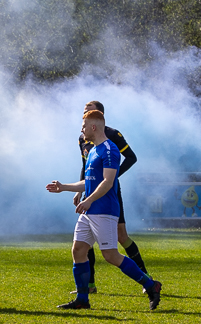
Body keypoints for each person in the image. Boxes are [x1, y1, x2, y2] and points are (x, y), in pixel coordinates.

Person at [47, 108, 162, 310]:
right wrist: (64, 187)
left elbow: (108, 182)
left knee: (111, 255)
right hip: (89, 211)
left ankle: (150, 285)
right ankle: (82, 299)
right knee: (78, 250)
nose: (81, 130)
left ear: (93, 127)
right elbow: (88, 183)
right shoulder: (92, 151)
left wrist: (89, 200)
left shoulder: (110, 150)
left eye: (84, 126)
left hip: (104, 210)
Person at [74, 100, 147, 293]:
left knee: (121, 237)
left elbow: (131, 157)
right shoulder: (83, 139)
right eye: (84, 112)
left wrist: (112, 177)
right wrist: (79, 190)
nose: (84, 118)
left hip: (108, 191)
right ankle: (88, 286)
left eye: (88, 113)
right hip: (91, 190)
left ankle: (147, 279)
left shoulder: (113, 136)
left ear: (97, 119)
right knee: (83, 242)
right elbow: (86, 167)